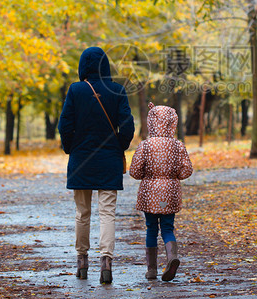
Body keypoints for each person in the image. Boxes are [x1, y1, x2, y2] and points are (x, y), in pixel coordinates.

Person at [59, 46, 135, 284]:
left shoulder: (75, 90)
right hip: (109, 160)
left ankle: (82, 262)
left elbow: (64, 125)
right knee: (107, 213)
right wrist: (118, 146)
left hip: (82, 161)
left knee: (82, 213)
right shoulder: (117, 90)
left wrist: (70, 148)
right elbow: (128, 126)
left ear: (83, 66)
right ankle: (106, 264)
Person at [129, 102, 193, 281]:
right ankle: (172, 257)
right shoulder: (177, 145)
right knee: (167, 227)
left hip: (150, 193)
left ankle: (151, 270)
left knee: (151, 229)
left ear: (151, 123)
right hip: (170, 193)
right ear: (172, 123)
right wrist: (174, 176)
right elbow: (187, 170)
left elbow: (134, 171)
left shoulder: (146, 145)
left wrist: (147, 175)